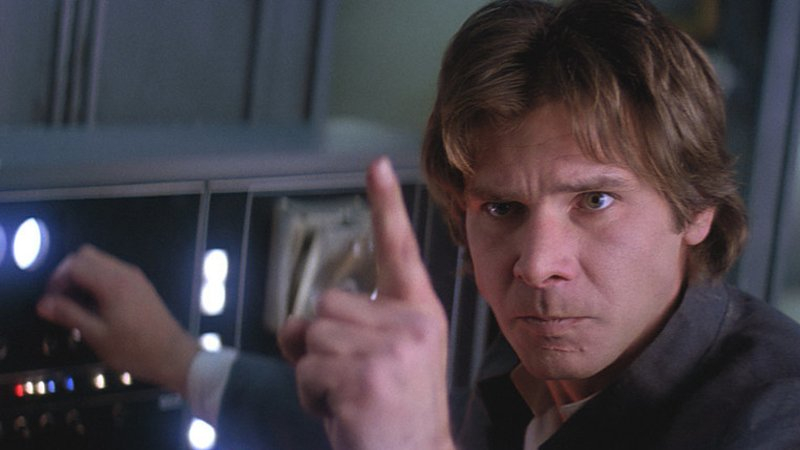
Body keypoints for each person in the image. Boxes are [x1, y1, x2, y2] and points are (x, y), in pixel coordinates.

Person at [37, 0, 800, 449]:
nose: (537, 264)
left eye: (594, 201)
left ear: (697, 208)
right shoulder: (535, 378)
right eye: (502, 209)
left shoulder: (772, 420)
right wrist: (177, 359)